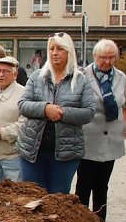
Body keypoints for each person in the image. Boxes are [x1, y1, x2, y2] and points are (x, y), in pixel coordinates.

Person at [16, 32, 95, 194]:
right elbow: (23, 105)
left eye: (60, 48)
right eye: (52, 48)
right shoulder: (37, 77)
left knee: (58, 199)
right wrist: (45, 109)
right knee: (32, 196)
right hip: (32, 150)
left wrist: (61, 113)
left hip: (66, 153)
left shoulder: (81, 80)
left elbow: (88, 112)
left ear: (69, 52)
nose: (55, 52)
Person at [74, 40, 126, 222]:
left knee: (102, 186)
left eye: (111, 57)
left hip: (110, 140)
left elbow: (119, 105)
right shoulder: (82, 76)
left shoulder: (122, 78)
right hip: (88, 139)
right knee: (83, 186)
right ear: (94, 57)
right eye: (102, 57)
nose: (107, 61)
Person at [0, 56, 26, 184]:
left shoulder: (24, 94)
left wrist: (2, 133)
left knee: (15, 196)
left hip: (14, 158)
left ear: (15, 74)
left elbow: (26, 123)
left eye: (6, 71)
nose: (1, 75)